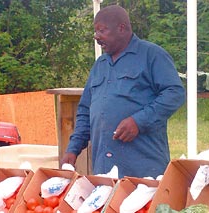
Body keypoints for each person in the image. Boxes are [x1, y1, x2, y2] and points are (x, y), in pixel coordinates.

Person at [60, 5, 185, 178]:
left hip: (142, 169)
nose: (96, 37)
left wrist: (138, 121)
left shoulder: (151, 55)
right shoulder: (100, 65)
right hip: (104, 169)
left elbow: (175, 93)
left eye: (102, 31)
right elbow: (85, 111)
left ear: (121, 28)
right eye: (95, 32)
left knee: (142, 206)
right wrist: (73, 149)